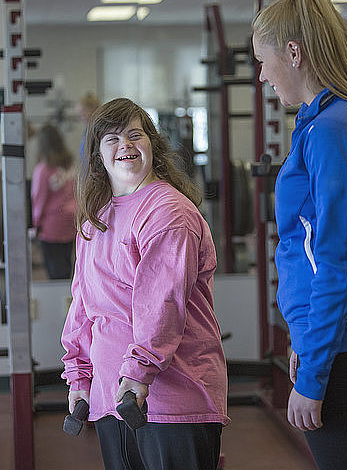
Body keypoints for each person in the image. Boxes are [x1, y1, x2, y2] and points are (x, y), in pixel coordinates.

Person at [252, 0, 347, 470]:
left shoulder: (333, 131)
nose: (261, 77)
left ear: (293, 53)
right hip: (339, 339)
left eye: (262, 61)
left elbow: (335, 261)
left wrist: (314, 373)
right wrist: (304, 336)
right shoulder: (324, 121)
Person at [61, 98, 229, 470]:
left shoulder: (167, 212)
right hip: (113, 398)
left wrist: (138, 373)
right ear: (97, 156)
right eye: (112, 139)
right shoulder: (95, 220)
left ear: (152, 144)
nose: (125, 145)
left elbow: (162, 306)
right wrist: (79, 375)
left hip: (170, 401)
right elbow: (82, 305)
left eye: (135, 135)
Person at [31, 124, 77, 279]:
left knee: (55, 272)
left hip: (51, 226)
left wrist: (35, 225)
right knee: (66, 268)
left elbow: (39, 201)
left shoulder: (43, 169)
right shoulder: (69, 164)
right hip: (71, 222)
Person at [78, 92, 100, 160]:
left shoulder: (97, 131)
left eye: (83, 112)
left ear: (92, 110)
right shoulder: (87, 130)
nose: (80, 116)